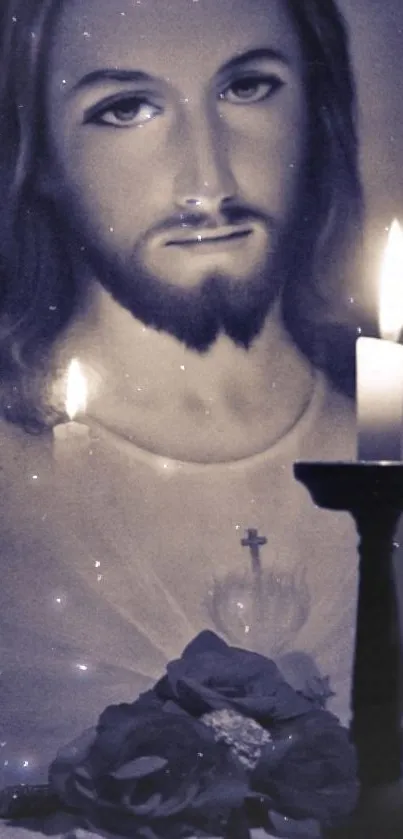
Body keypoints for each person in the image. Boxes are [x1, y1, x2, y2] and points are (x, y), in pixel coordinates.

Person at [0, 0, 400, 835]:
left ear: (318, 111)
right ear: (35, 152)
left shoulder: (380, 435)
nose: (206, 180)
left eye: (249, 87)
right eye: (123, 108)